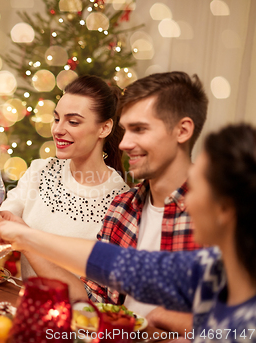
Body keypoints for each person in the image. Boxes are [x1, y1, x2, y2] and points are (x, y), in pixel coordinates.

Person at [0, 123, 256, 342]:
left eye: (197, 186)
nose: (186, 199)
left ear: (225, 210)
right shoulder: (210, 267)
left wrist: (24, 237)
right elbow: (123, 267)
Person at [84, 72, 208, 333]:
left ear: (183, 130)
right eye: (124, 130)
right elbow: (94, 300)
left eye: (139, 129)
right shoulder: (122, 207)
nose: (125, 143)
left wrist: (164, 319)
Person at [0, 75, 129, 301]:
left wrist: (26, 240)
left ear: (104, 128)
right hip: (26, 308)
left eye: (73, 122)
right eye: (57, 119)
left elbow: (91, 298)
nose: (57, 129)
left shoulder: (121, 204)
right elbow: (3, 219)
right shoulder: (40, 170)